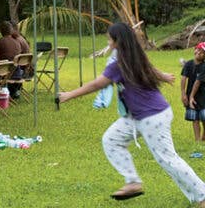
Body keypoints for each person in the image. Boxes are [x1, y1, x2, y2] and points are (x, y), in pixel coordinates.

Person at [59, 22, 205, 205]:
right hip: (136, 116)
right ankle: (133, 182)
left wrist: (69, 95)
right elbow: (150, 69)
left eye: (109, 39)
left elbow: (98, 84)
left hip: (152, 117)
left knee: (168, 159)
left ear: (117, 40)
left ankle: (202, 195)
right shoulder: (132, 55)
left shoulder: (120, 62)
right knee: (111, 140)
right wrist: (164, 77)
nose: (108, 42)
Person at [185, 43, 205, 155]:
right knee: (195, 118)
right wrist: (184, 94)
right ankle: (197, 140)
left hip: (202, 96)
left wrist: (191, 96)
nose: (199, 53)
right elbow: (184, 79)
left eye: (202, 52)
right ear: (195, 49)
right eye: (198, 50)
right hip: (192, 96)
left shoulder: (204, 66)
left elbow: (197, 82)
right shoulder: (188, 64)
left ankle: (203, 137)